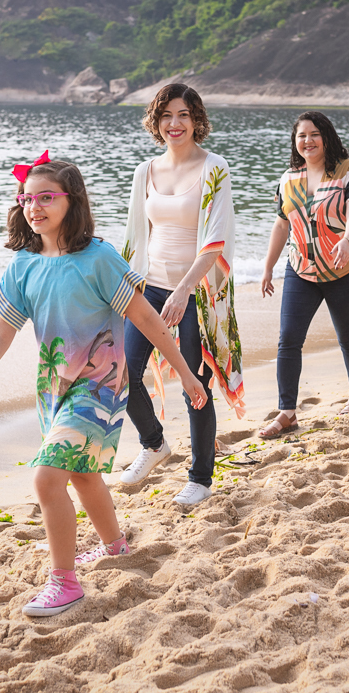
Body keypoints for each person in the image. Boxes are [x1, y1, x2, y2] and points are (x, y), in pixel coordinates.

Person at [0, 153, 207, 617]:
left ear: (72, 201)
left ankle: (64, 582)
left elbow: (145, 318)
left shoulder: (99, 259)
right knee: (83, 475)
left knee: (47, 479)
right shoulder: (24, 265)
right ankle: (116, 546)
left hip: (100, 385)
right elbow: (2, 330)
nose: (34, 207)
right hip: (52, 385)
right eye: (27, 198)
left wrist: (185, 373)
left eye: (46, 197)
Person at [118, 83, 245, 506]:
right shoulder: (145, 172)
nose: (175, 124)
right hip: (148, 287)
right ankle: (154, 443)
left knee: (197, 381)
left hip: (197, 292)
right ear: (157, 122)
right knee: (123, 371)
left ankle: (200, 478)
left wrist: (185, 290)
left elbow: (216, 239)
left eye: (184, 115)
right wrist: (122, 288)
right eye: (167, 115)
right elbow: (136, 237)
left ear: (196, 121)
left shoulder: (215, 167)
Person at [259, 111, 349, 436]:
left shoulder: (348, 172)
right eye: (301, 136)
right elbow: (282, 224)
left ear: (326, 136)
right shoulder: (288, 178)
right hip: (301, 270)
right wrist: (267, 267)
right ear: (295, 142)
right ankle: (287, 413)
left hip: (345, 269)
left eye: (314, 134)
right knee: (288, 341)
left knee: (348, 338)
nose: (307, 141)